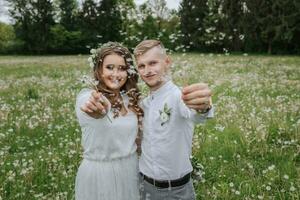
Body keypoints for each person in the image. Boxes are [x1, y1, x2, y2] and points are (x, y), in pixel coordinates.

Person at [134, 39, 214, 200]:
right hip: (144, 186)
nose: (147, 70)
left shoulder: (178, 96)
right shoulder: (144, 104)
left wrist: (203, 107)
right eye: (142, 66)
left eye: (153, 63)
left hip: (175, 190)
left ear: (167, 62)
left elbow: (197, 114)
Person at [75, 42, 143, 200]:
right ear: (99, 70)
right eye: (110, 67)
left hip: (130, 170)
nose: (116, 74)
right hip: (100, 173)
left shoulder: (131, 100)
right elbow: (94, 110)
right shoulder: (88, 97)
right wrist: (100, 111)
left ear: (129, 72)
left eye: (122, 68)